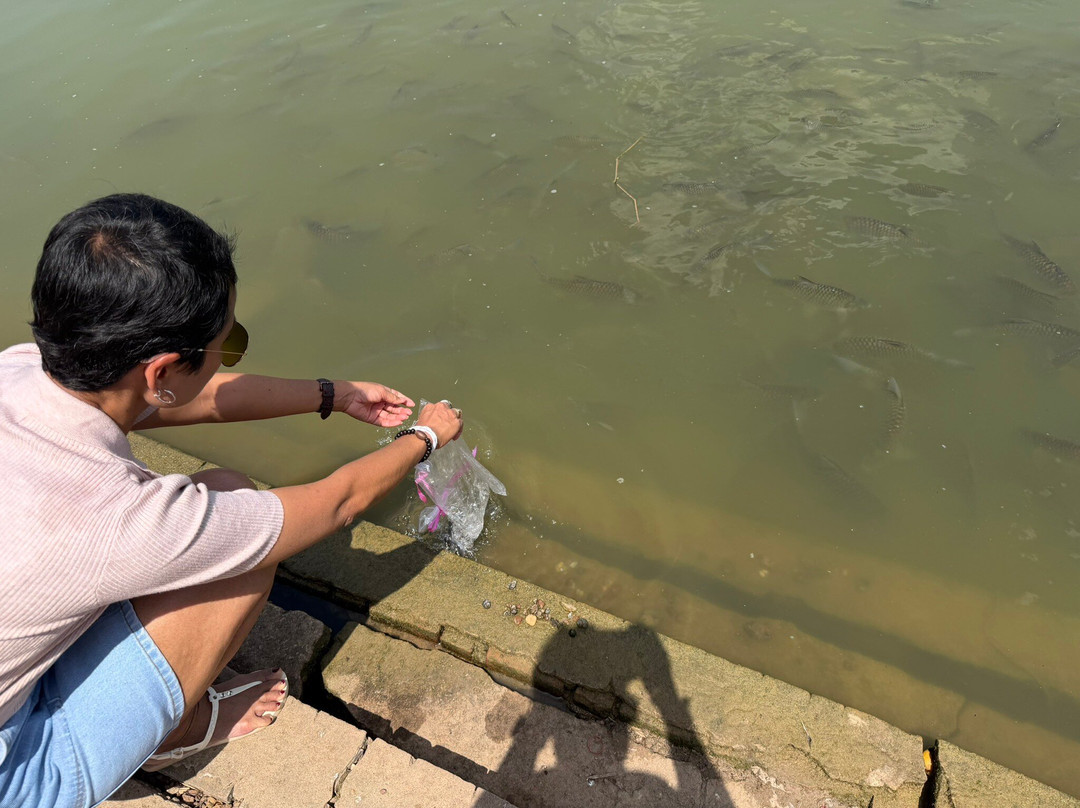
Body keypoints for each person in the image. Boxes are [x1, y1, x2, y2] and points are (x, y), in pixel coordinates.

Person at [0, 193, 464, 808]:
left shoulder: (23, 368)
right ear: (161, 371)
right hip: (20, 773)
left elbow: (192, 399)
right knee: (242, 545)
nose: (230, 354)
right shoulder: (126, 516)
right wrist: (424, 437)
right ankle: (179, 731)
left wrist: (334, 394)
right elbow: (334, 504)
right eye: (230, 343)